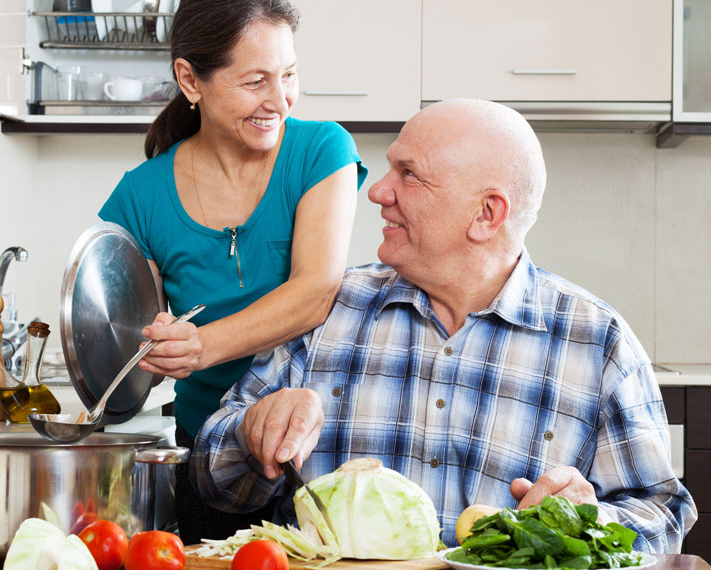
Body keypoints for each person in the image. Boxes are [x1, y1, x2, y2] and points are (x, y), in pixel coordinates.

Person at [189, 99, 697, 553]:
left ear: (486, 214)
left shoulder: (597, 342)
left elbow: (662, 513)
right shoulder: (326, 309)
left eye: (409, 174)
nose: (378, 192)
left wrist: (585, 519)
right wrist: (249, 435)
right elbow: (214, 481)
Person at [98, 0, 367, 543]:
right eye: (255, 82)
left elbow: (315, 290)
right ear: (189, 80)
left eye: (288, 76)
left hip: (314, 453)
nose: (279, 100)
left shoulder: (320, 150)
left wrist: (202, 345)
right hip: (211, 460)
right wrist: (157, 346)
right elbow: (129, 342)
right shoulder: (139, 195)